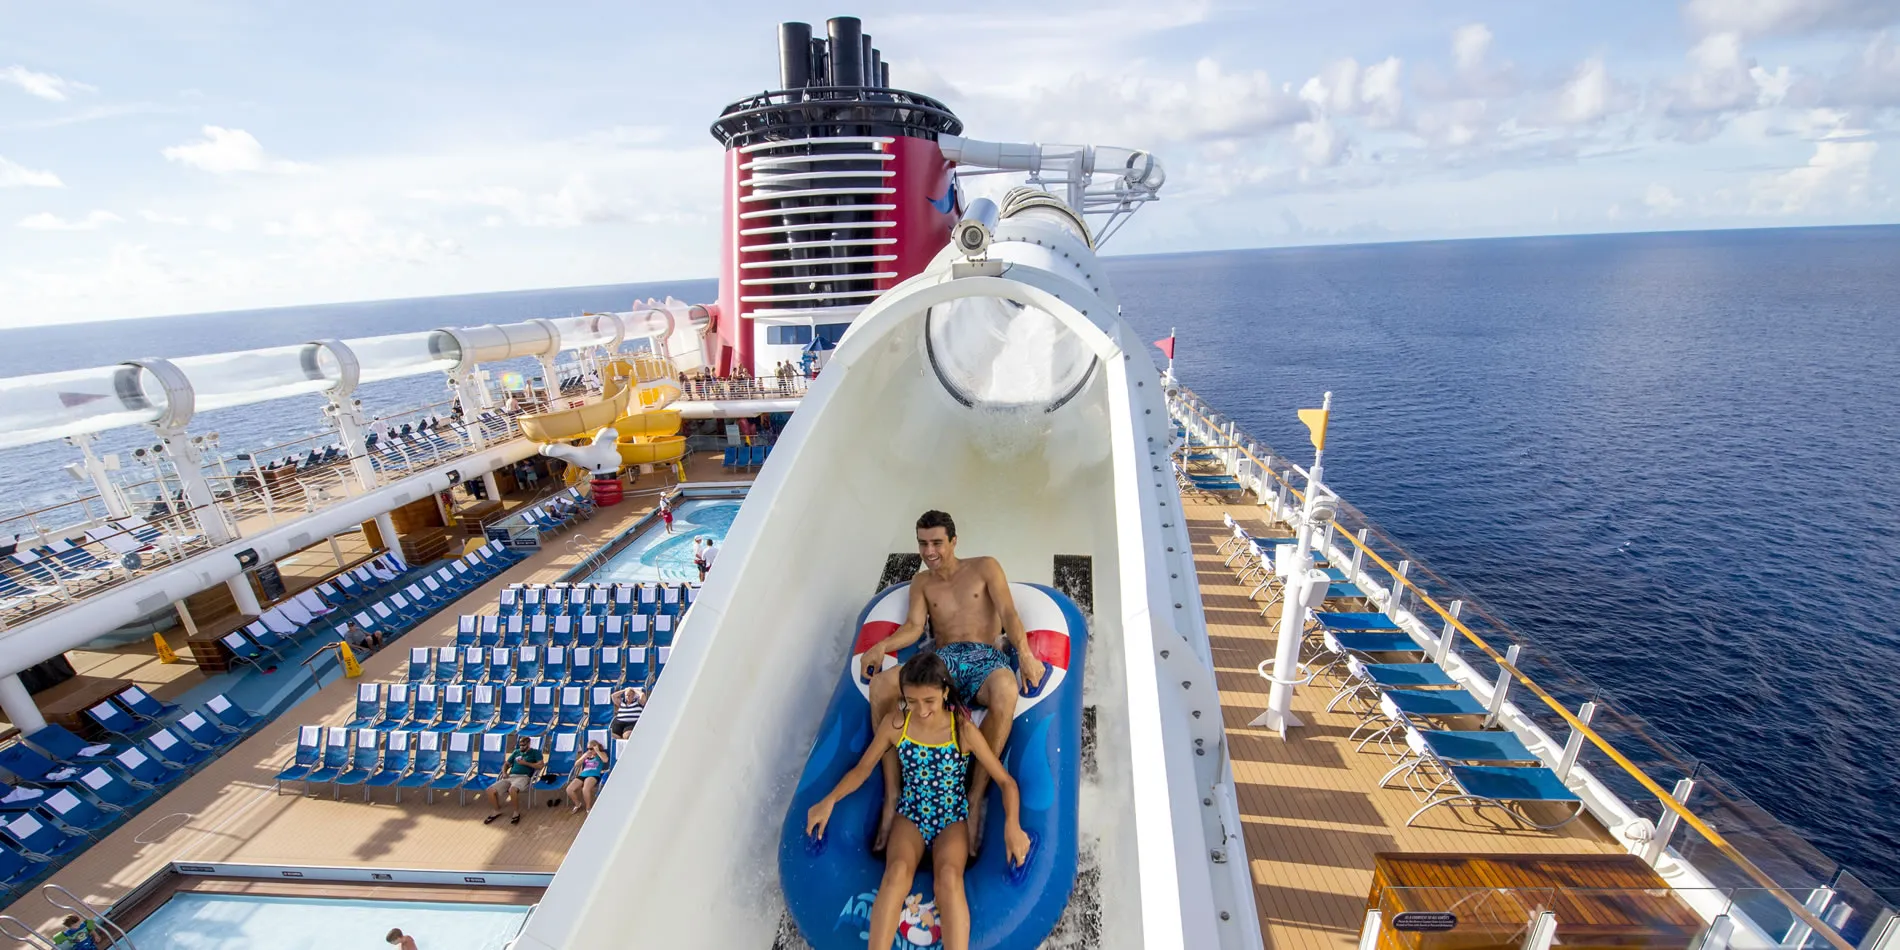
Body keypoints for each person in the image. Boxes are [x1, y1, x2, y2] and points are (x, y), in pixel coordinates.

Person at [806, 653, 1029, 950]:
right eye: (911, 701)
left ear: (944, 693)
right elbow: (862, 770)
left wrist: (1012, 825)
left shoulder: (961, 730)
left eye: (929, 701)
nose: (920, 709)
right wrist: (829, 801)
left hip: (951, 817)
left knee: (948, 877)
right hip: (911, 813)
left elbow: (1005, 782)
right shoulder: (896, 724)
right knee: (897, 870)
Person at [859, 510, 1045, 854]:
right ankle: (893, 793)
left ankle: (974, 798)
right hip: (942, 660)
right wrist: (881, 646)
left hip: (985, 658)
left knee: (1006, 688)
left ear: (953, 541)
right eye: (922, 543)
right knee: (882, 685)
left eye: (937, 543)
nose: (930, 551)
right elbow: (915, 629)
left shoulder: (985, 567)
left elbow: (1009, 615)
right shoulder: (922, 582)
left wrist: (1027, 655)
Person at [484, 735, 542, 825]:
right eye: (520, 745)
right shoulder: (516, 752)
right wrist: (504, 772)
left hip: (523, 777)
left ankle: (516, 812)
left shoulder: (535, 752)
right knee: (489, 790)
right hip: (511, 776)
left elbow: (540, 766)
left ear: (529, 744)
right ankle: (496, 810)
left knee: (512, 789)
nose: (521, 747)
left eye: (524, 745)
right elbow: (506, 764)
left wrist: (525, 763)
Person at [565, 738, 610, 813]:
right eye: (588, 748)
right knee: (569, 789)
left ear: (596, 747)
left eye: (591, 748)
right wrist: (583, 757)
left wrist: (597, 751)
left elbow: (605, 760)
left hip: (594, 774)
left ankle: (588, 807)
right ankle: (577, 804)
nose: (589, 750)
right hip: (583, 774)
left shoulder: (601, 753)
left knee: (585, 789)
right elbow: (576, 764)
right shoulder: (587, 754)